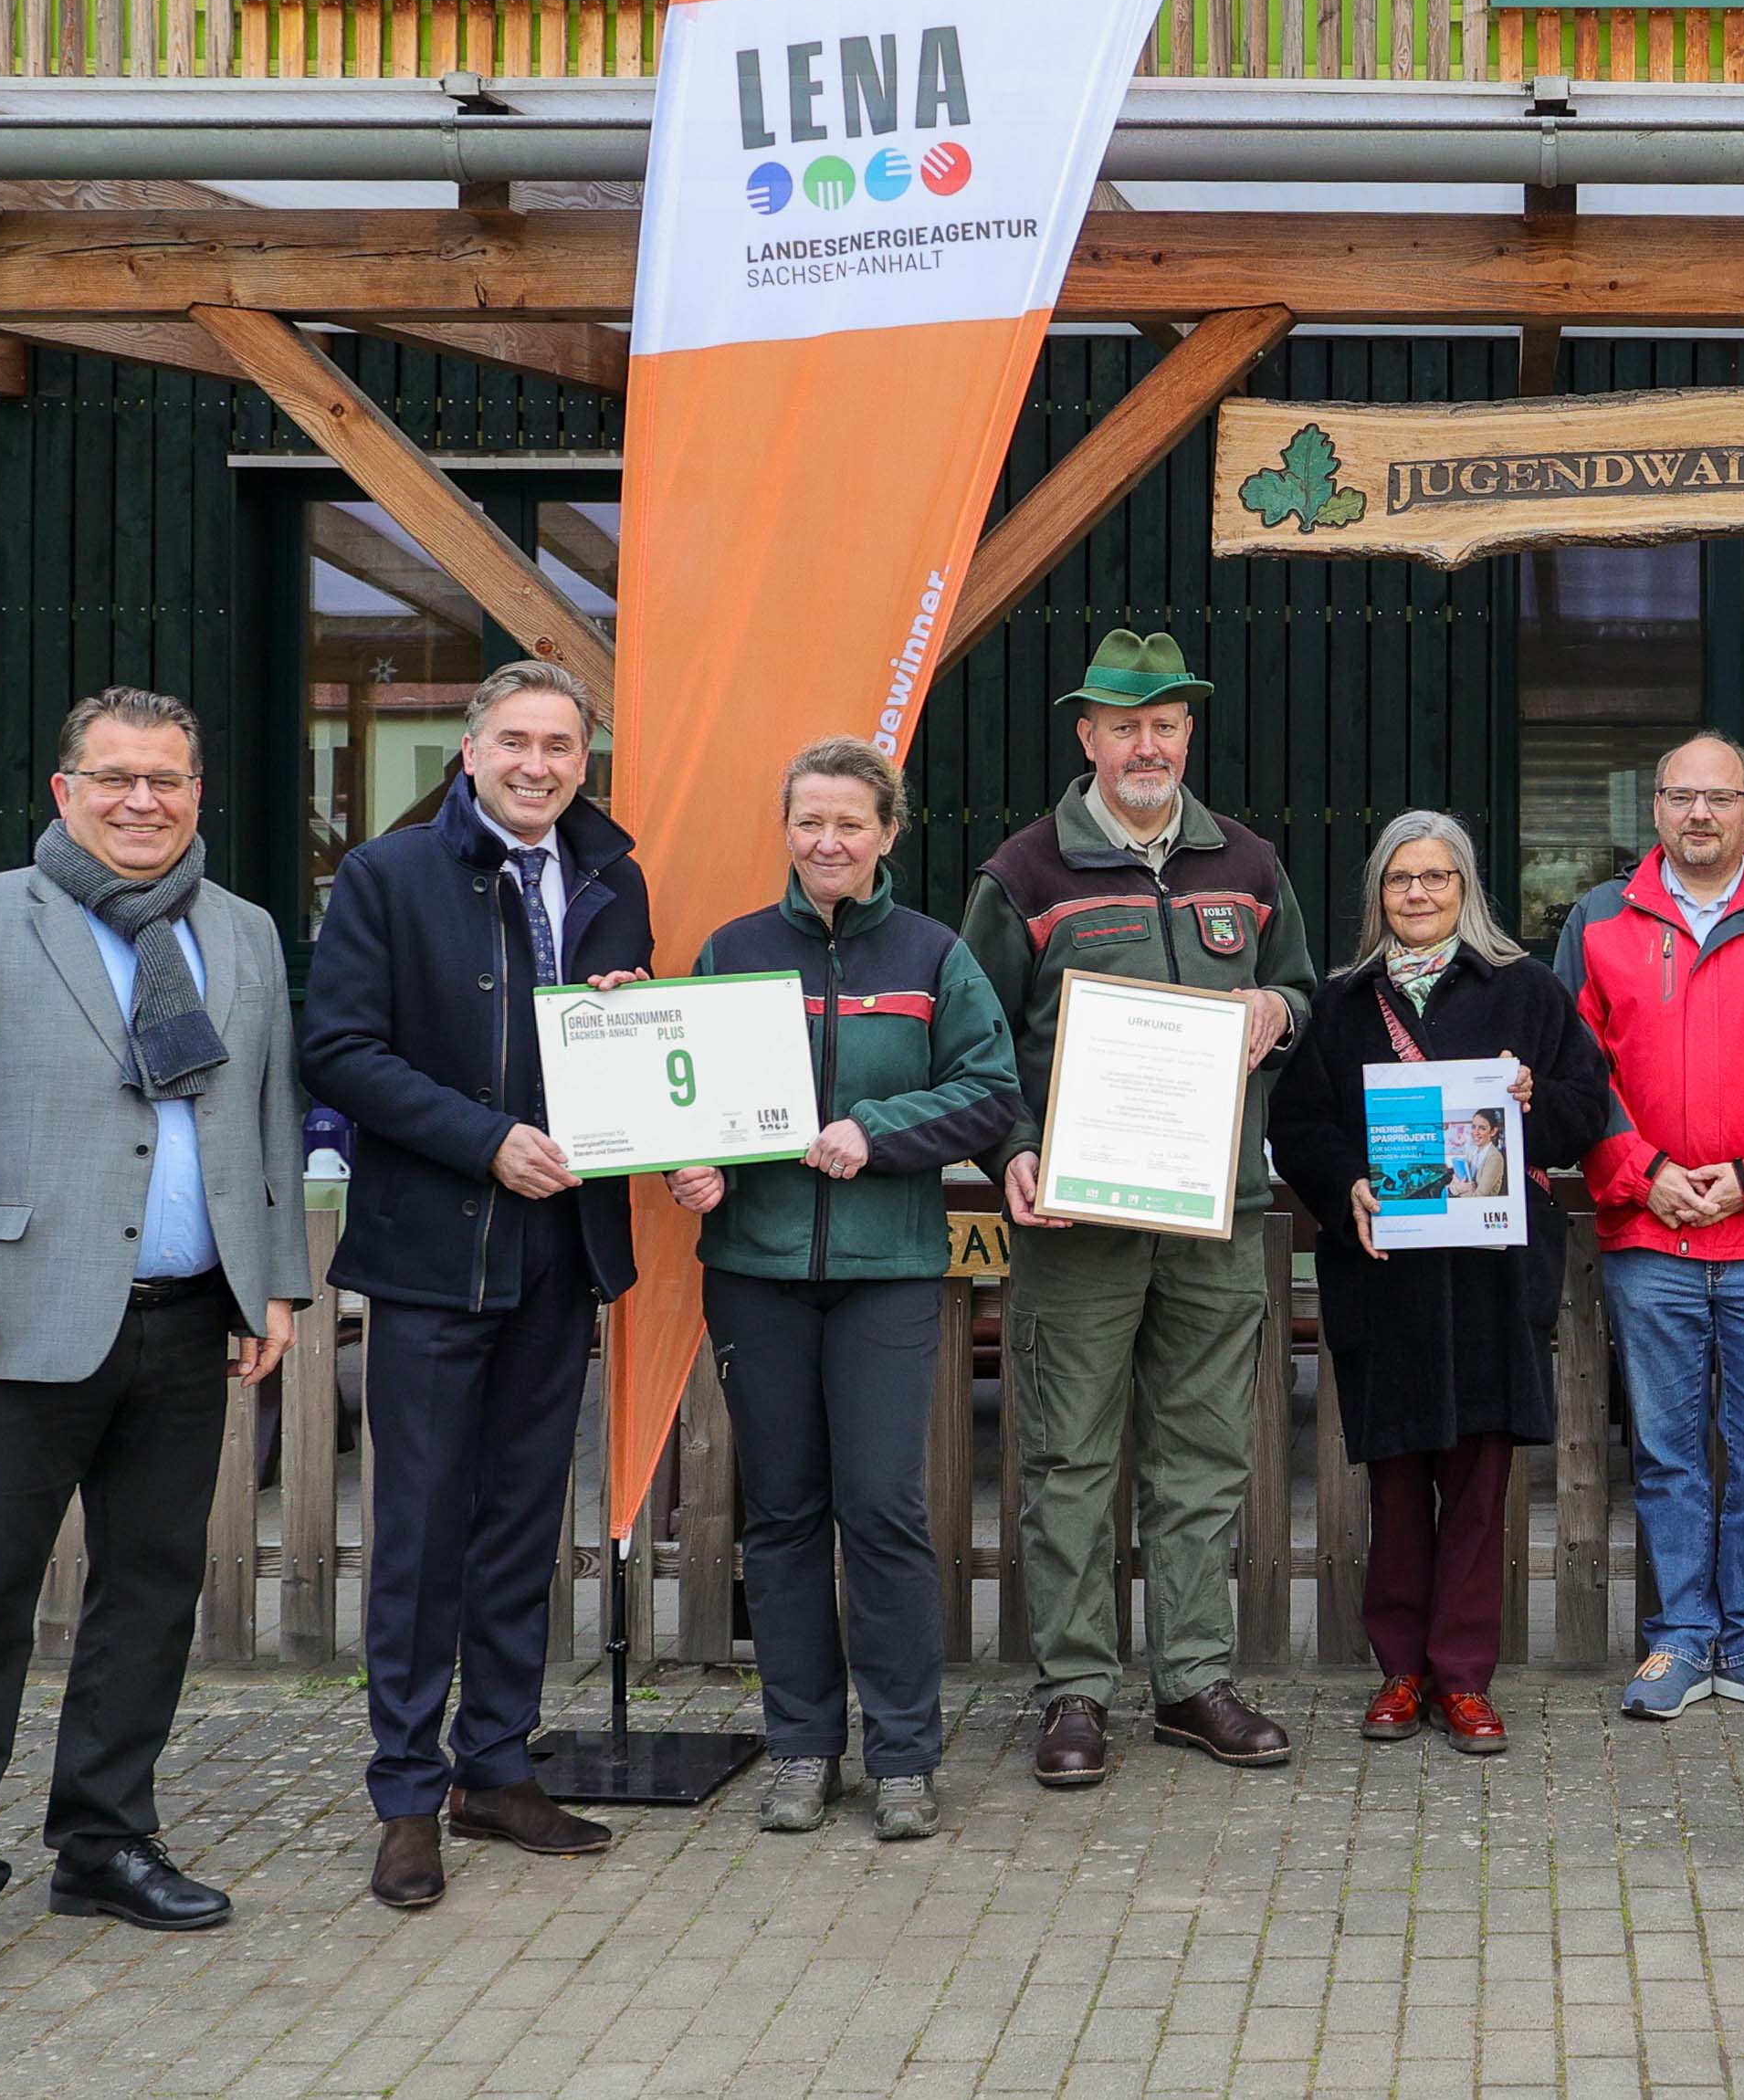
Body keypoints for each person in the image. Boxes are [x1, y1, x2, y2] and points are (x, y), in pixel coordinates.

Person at [0, 688, 310, 1998]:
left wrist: (273, 1281)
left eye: (166, 779)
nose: (141, 801)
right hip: (12, 1327)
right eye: (115, 776)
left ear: (197, 793)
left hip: (188, 1317)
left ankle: (105, 1840)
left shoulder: (240, 930)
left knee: (151, 1595)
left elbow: (269, 1115)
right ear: (65, 791)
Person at [306, 659, 651, 1911]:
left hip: (560, 1252)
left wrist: (634, 1018)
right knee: (418, 1532)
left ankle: (495, 1766)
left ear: (581, 758)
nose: (537, 764)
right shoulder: (387, 876)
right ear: (470, 751)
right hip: (434, 1252)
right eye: (515, 741)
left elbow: (621, 1051)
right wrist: (483, 1138)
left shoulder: (613, 877)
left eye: (560, 745)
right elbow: (339, 1048)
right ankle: (407, 1795)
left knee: (519, 1523)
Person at [961, 626, 1319, 1790]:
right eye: (1125, 726)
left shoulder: (1248, 862)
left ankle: (1190, 1680)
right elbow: (976, 1039)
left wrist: (1278, 1009)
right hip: (1078, 1222)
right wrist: (1013, 1148)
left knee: (1203, 1454)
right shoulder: (1022, 874)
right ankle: (1074, 1688)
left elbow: (1302, 989)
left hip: (1216, 1213)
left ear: (1187, 733)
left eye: (1165, 724)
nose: (1147, 745)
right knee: (1069, 1457)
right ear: (1088, 738)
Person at [657, 737, 1021, 1847]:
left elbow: (989, 1091)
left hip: (885, 1274)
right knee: (779, 1514)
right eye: (809, 821)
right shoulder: (732, 951)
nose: (828, 841)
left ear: (887, 833)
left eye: (849, 823)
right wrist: (693, 1165)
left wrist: (877, 1128)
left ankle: (903, 1756)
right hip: (755, 1269)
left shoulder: (932, 954)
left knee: (882, 1510)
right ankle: (802, 1748)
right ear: (785, 828)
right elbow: (686, 1096)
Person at [1266, 811, 1609, 1759]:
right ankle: (1400, 1670)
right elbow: (1299, 1125)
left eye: (1436, 877)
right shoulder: (1342, 1004)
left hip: (1491, 1279)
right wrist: (1346, 1183)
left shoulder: (1525, 990)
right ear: (1377, 893)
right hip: (1385, 1279)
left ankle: (1462, 1676)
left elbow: (1589, 1106)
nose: (1417, 893)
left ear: (1467, 889)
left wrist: (1533, 1100)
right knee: (1394, 1481)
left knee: (1479, 1486)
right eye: (1399, 878)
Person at [1559, 730, 1744, 1721]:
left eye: (1719, 797)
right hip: (1650, 1238)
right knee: (1667, 1454)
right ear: (1653, 807)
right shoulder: (1600, 919)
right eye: (1681, 795)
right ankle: (1682, 1638)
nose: (1699, 813)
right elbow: (1577, 1068)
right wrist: (1643, 1175)